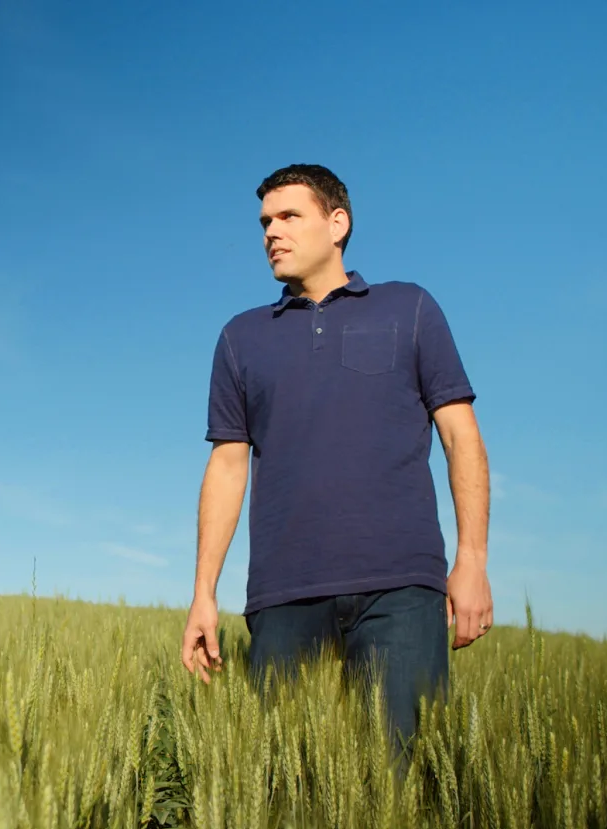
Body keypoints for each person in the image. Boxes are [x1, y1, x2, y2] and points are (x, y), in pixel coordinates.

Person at [180, 164, 492, 756]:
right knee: (287, 797)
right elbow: (227, 465)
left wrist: (472, 560)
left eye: (289, 216)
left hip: (401, 591)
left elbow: (461, 436)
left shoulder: (411, 308)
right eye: (265, 222)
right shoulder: (239, 338)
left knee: (396, 789)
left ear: (337, 222)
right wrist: (203, 592)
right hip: (282, 599)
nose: (272, 232)